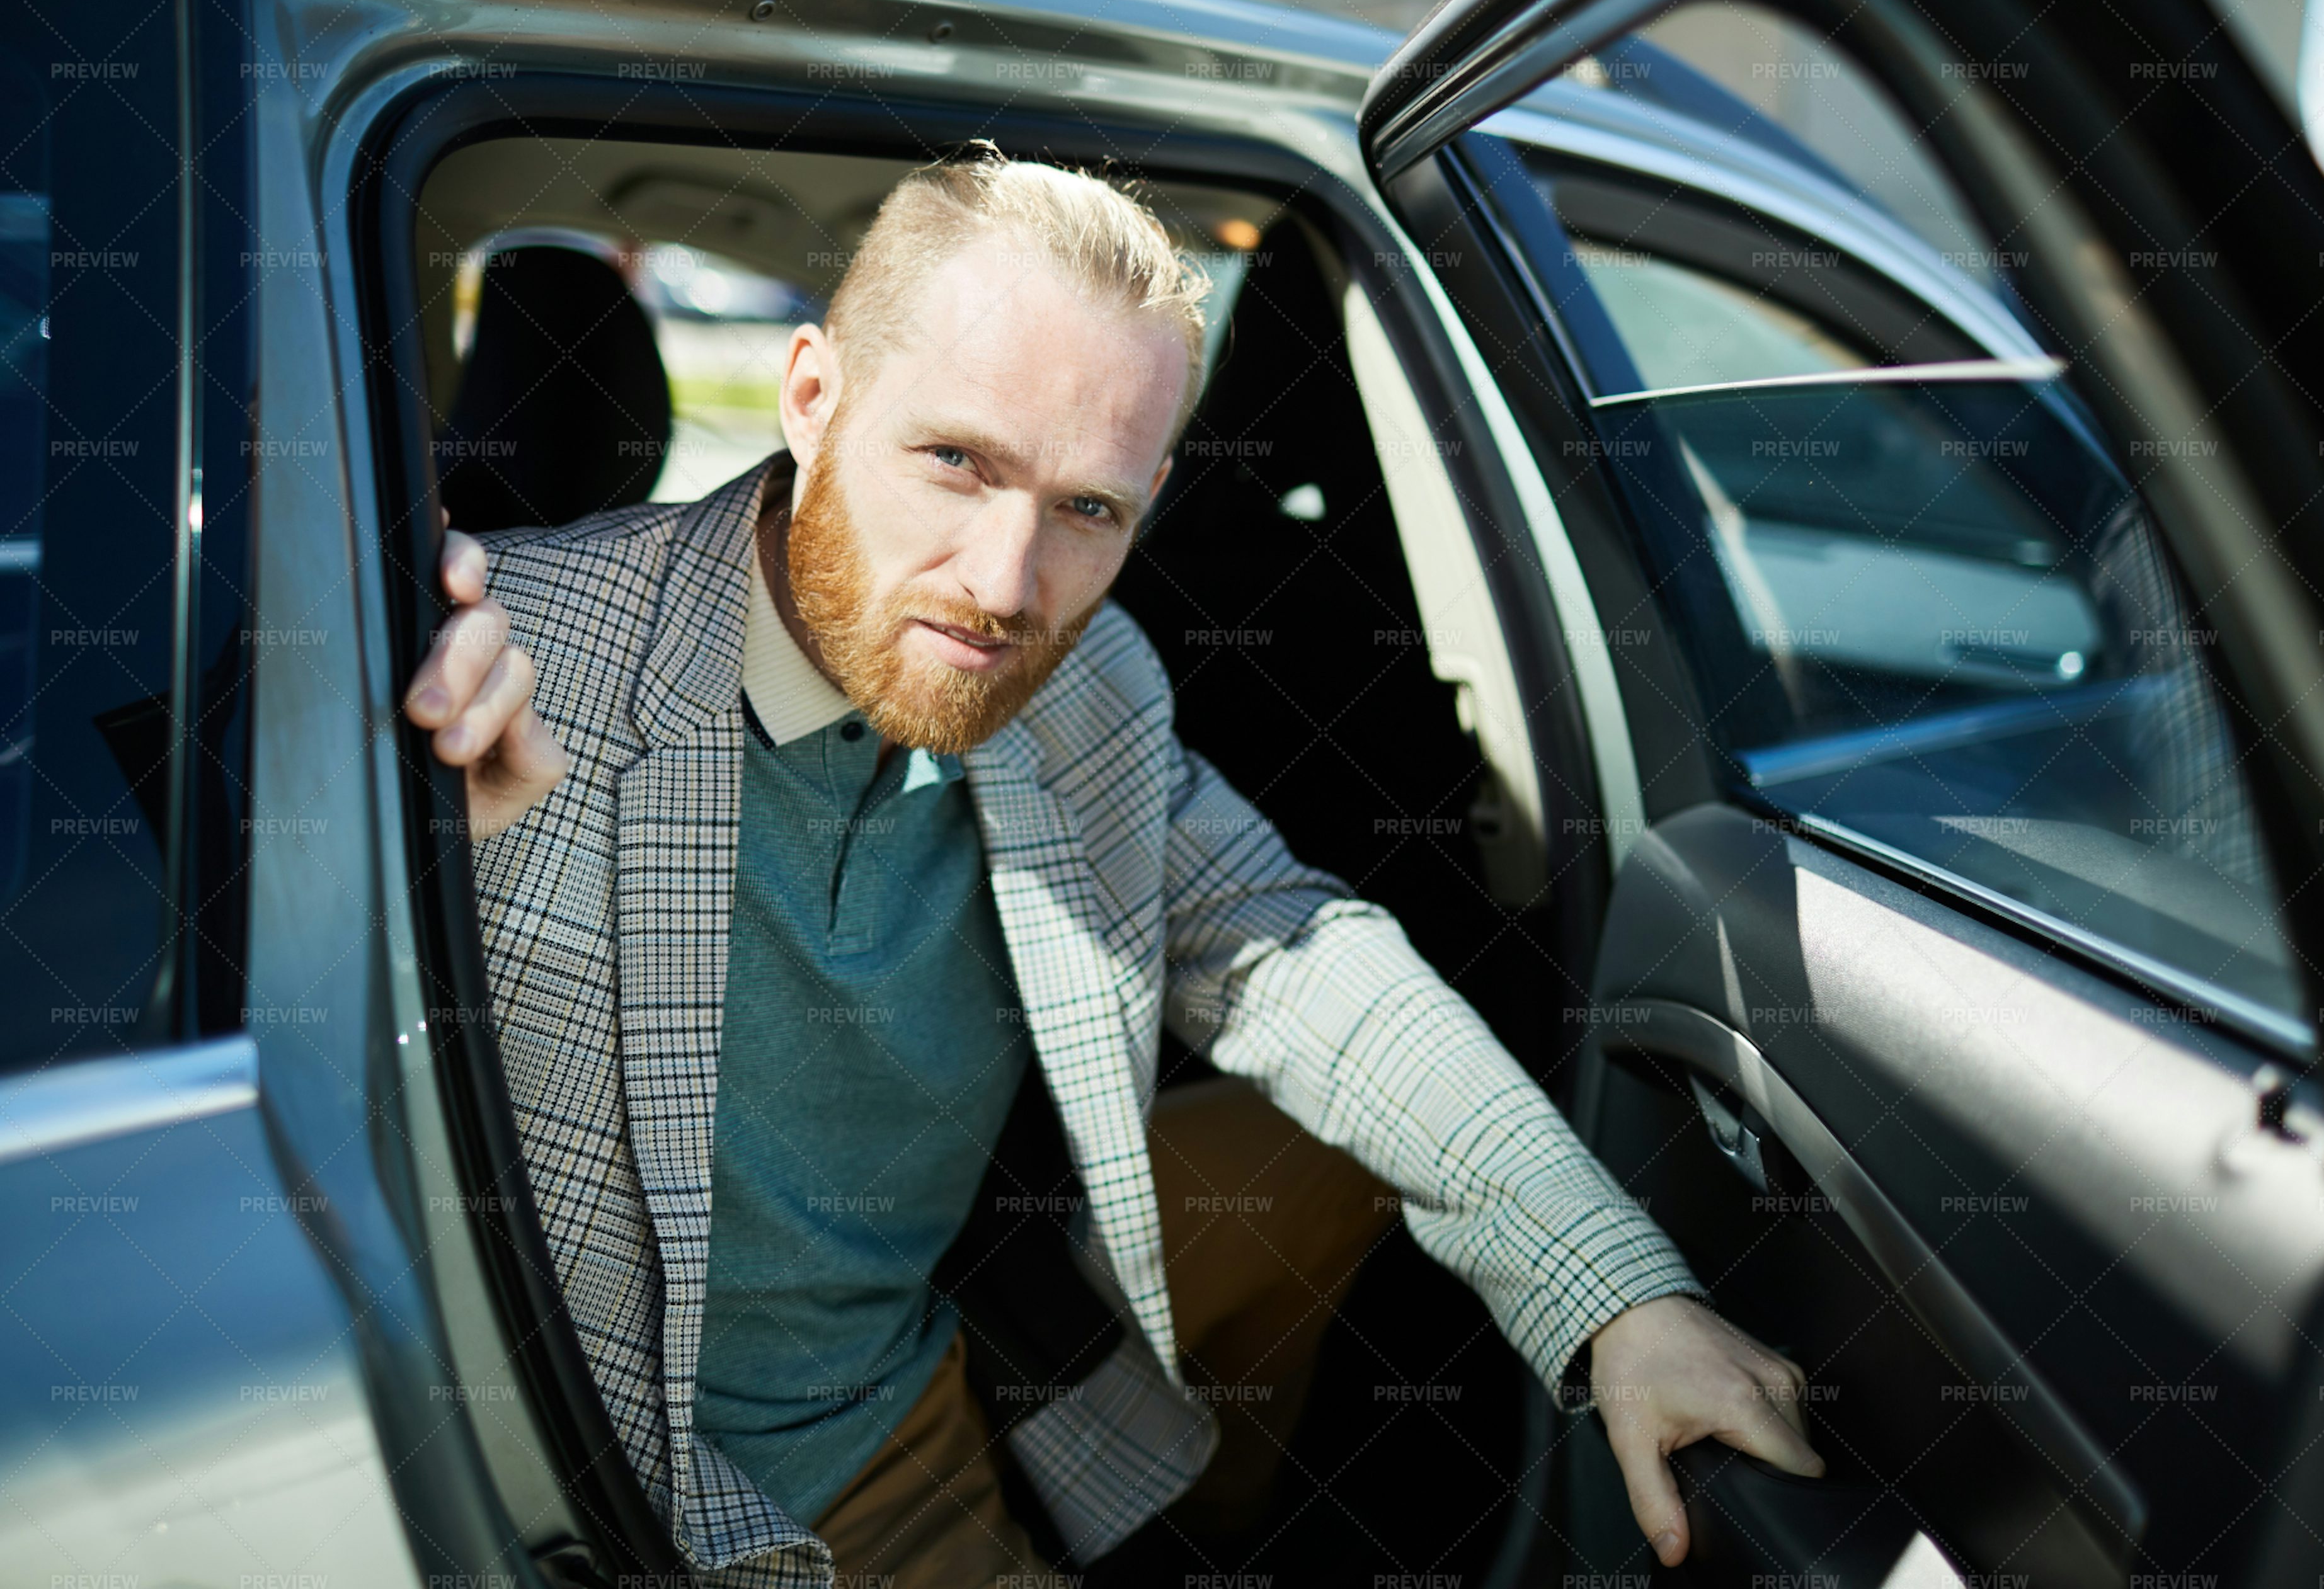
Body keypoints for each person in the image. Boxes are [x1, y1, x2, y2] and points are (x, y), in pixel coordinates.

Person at [403, 146, 1821, 1588]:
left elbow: (1283, 947)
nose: (1007, 585)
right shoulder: (502, 659)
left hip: (903, 1415)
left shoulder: (1090, 685)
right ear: (814, 397)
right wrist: (443, 844)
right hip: (586, 1484)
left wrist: (1617, 1290)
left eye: (1092, 510)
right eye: (958, 461)